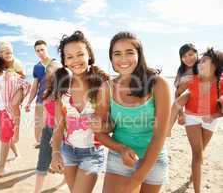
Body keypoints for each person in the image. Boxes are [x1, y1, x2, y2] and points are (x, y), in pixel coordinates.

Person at [90, 32, 171, 193]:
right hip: (119, 159)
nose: (123, 59)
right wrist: (121, 149)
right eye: (117, 54)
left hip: (154, 160)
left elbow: (160, 135)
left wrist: (137, 178)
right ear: (111, 59)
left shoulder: (159, 84)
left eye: (129, 52)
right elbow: (99, 132)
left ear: (139, 55)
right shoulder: (106, 88)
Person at [50, 31, 109, 192]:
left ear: (89, 55)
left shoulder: (101, 85)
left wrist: (102, 125)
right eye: (69, 57)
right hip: (67, 151)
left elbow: (110, 124)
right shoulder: (62, 88)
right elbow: (59, 126)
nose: (75, 60)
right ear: (64, 61)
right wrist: (55, 152)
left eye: (79, 54)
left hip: (93, 152)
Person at [168, 48, 223, 193]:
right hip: (192, 116)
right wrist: (180, 113)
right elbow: (178, 94)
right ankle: (197, 190)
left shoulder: (221, 83)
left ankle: (194, 173)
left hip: (210, 119)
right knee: (197, 153)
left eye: (204, 61)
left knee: (200, 153)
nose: (200, 63)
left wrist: (213, 116)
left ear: (216, 64)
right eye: (201, 61)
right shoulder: (191, 79)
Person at [34, 61, 66, 193]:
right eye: (49, 72)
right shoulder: (46, 92)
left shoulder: (66, 93)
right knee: (43, 159)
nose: (52, 75)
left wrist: (57, 135)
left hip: (64, 132)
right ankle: (36, 191)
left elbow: (65, 117)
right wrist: (43, 130)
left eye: (56, 72)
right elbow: (46, 113)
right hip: (48, 129)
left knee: (66, 161)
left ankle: (65, 182)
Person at [25, 40, 54, 148]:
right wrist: (28, 102)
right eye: (37, 51)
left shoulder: (56, 64)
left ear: (46, 49)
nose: (40, 52)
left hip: (53, 100)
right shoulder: (37, 67)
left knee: (52, 126)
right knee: (38, 126)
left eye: (42, 49)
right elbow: (34, 87)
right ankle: (41, 146)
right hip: (40, 100)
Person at [167, 43, 198, 136]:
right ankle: (167, 130)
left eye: (190, 54)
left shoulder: (203, 65)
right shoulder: (181, 70)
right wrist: (181, 114)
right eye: (184, 56)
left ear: (197, 53)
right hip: (187, 98)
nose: (188, 58)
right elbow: (177, 92)